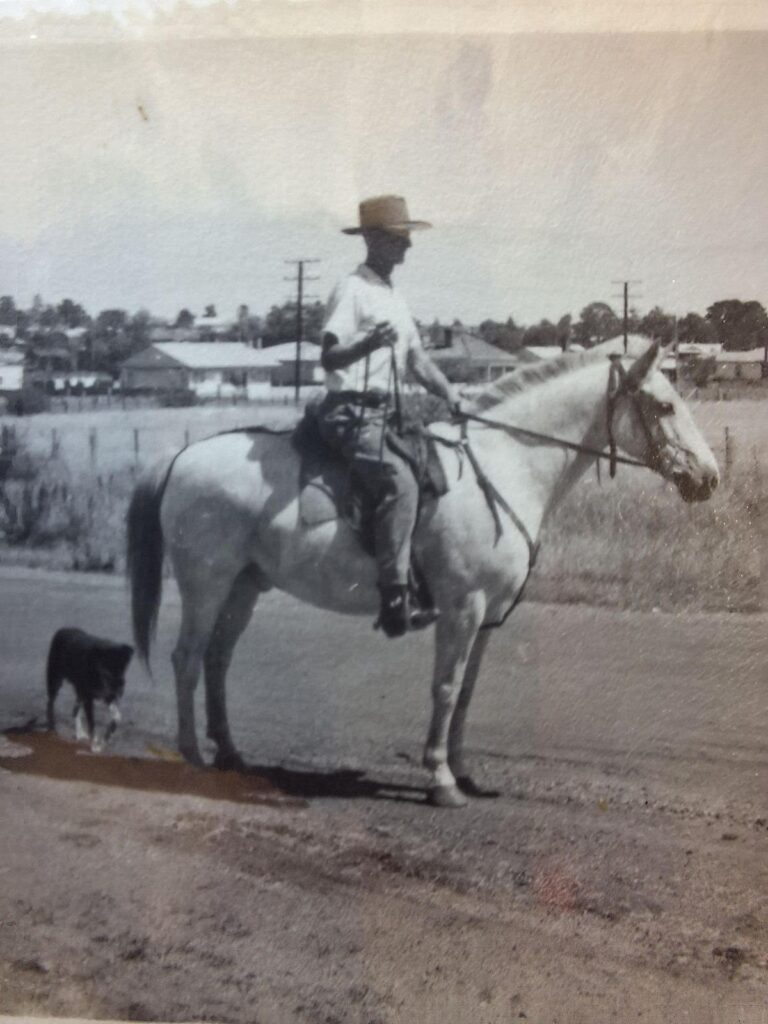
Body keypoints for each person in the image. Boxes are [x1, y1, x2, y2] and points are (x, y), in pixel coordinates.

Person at [318, 195, 459, 638]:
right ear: (375, 240)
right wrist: (367, 344)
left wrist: (450, 393)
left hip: (388, 414)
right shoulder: (352, 289)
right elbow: (329, 356)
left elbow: (417, 360)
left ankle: (419, 572)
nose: (408, 248)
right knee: (398, 481)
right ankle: (395, 595)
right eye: (401, 239)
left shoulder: (393, 296)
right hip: (350, 412)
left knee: (432, 472)